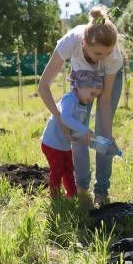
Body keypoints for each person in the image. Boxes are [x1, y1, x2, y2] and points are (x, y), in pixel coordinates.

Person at [38, 6, 124, 208]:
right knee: (78, 132)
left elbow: (104, 101)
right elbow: (43, 86)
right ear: (84, 43)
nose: (103, 58)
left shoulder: (112, 58)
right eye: (98, 53)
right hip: (82, 81)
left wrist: (108, 136)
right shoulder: (71, 42)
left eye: (108, 52)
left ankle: (101, 192)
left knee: (102, 137)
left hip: (110, 80)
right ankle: (83, 189)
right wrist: (62, 121)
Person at [40, 70, 104, 199]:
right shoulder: (69, 99)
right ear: (80, 86)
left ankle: (71, 195)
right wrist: (84, 130)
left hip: (64, 145)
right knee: (57, 170)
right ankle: (55, 197)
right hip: (52, 143)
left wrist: (86, 135)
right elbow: (66, 118)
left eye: (95, 96)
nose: (92, 98)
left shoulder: (82, 105)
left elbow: (74, 127)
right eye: (91, 93)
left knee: (69, 170)